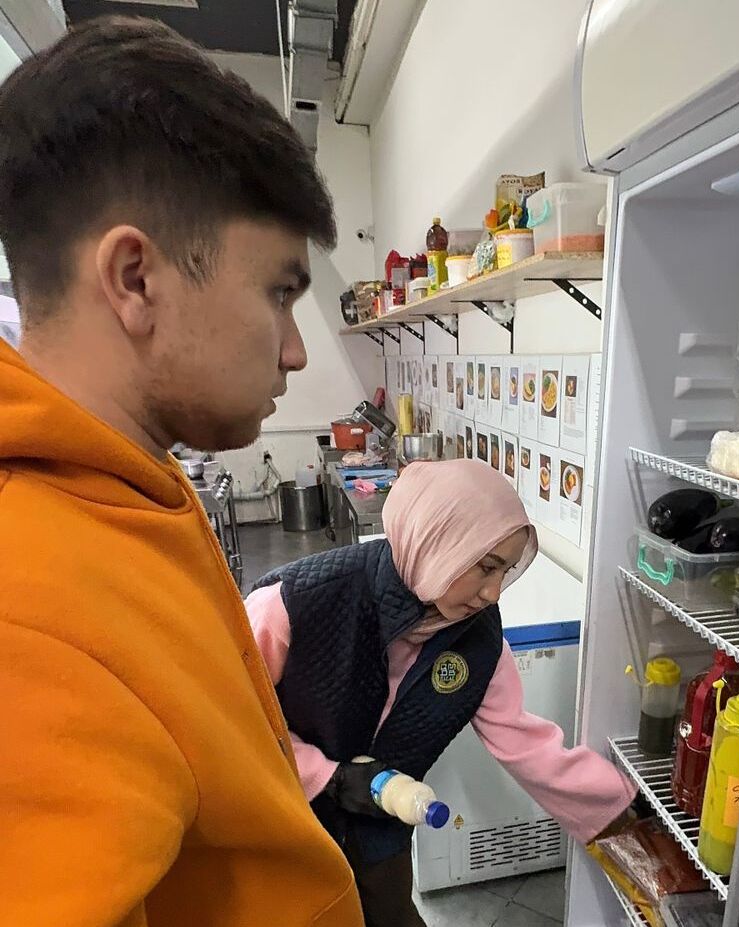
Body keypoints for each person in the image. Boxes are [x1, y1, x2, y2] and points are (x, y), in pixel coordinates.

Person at [0, 16, 362, 927]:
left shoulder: (128, 488)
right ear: (135, 278)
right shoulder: (28, 610)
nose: (293, 351)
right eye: (279, 292)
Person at [246, 459, 638, 927]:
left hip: (381, 828)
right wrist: (326, 777)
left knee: (391, 914)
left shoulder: (478, 642)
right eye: (485, 568)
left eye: (505, 572)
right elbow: (233, 720)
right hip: (286, 820)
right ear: (436, 542)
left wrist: (624, 813)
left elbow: (528, 745)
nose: (493, 593)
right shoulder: (295, 604)